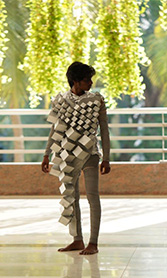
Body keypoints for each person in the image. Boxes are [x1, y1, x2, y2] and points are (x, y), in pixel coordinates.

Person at [41, 62, 111, 255]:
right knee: (71, 196)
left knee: (93, 197)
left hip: (90, 155)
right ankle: (77, 240)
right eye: (87, 79)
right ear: (75, 81)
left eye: (91, 78)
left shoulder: (97, 100)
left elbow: (104, 130)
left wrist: (107, 157)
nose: (90, 82)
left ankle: (93, 243)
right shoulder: (60, 100)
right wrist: (46, 154)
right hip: (67, 155)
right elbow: (54, 129)